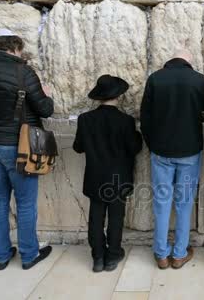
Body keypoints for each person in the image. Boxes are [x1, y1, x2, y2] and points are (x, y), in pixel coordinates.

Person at [0, 29, 54, 271]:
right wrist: (48, 96)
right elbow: (44, 109)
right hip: (19, 146)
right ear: (15, 47)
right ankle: (29, 255)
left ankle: (2, 255)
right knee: (25, 203)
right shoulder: (22, 71)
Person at [140, 49, 204, 270]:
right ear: (188, 63)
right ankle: (179, 254)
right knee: (184, 203)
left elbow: (145, 116)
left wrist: (153, 144)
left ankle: (161, 255)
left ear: (169, 61)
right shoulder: (200, 80)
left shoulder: (155, 79)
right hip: (189, 151)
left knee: (161, 203)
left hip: (161, 151)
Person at [73, 74, 143, 273]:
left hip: (95, 177)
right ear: (118, 96)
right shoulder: (125, 121)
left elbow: (78, 147)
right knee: (115, 217)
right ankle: (112, 256)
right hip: (118, 178)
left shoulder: (85, 119)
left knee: (96, 216)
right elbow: (134, 148)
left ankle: (97, 257)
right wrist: (136, 135)